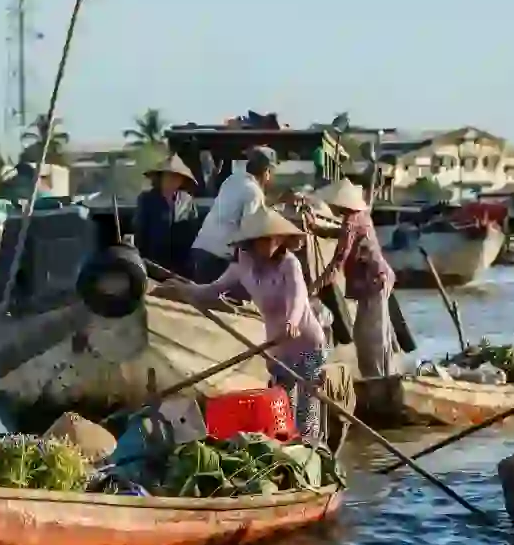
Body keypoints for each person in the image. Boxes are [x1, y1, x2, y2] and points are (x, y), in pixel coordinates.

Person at [167, 208, 328, 443]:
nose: (269, 244)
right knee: (281, 405)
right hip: (277, 348)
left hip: (306, 341)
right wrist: (182, 289)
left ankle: (311, 450)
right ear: (251, 242)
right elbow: (211, 290)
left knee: (306, 406)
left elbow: (298, 298)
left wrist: (292, 322)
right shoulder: (242, 266)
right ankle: (287, 451)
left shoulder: (289, 264)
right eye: (263, 240)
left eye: (273, 239)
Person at [310, 178, 398, 377]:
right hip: (375, 281)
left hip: (374, 282)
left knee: (372, 336)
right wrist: (318, 230)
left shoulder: (351, 221)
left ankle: (378, 378)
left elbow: (338, 260)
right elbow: (343, 234)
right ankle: (378, 375)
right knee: (368, 333)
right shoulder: (360, 216)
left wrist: (314, 286)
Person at [190, 145, 276, 284]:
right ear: (266, 171)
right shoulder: (254, 192)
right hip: (218, 258)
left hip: (200, 249)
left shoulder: (232, 180)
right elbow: (250, 231)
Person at [133, 154, 201, 278]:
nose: (172, 180)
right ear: (160, 178)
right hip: (154, 259)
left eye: (176, 177)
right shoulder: (147, 199)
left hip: (181, 262)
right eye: (169, 176)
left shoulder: (187, 200)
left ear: (181, 180)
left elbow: (193, 229)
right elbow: (140, 229)